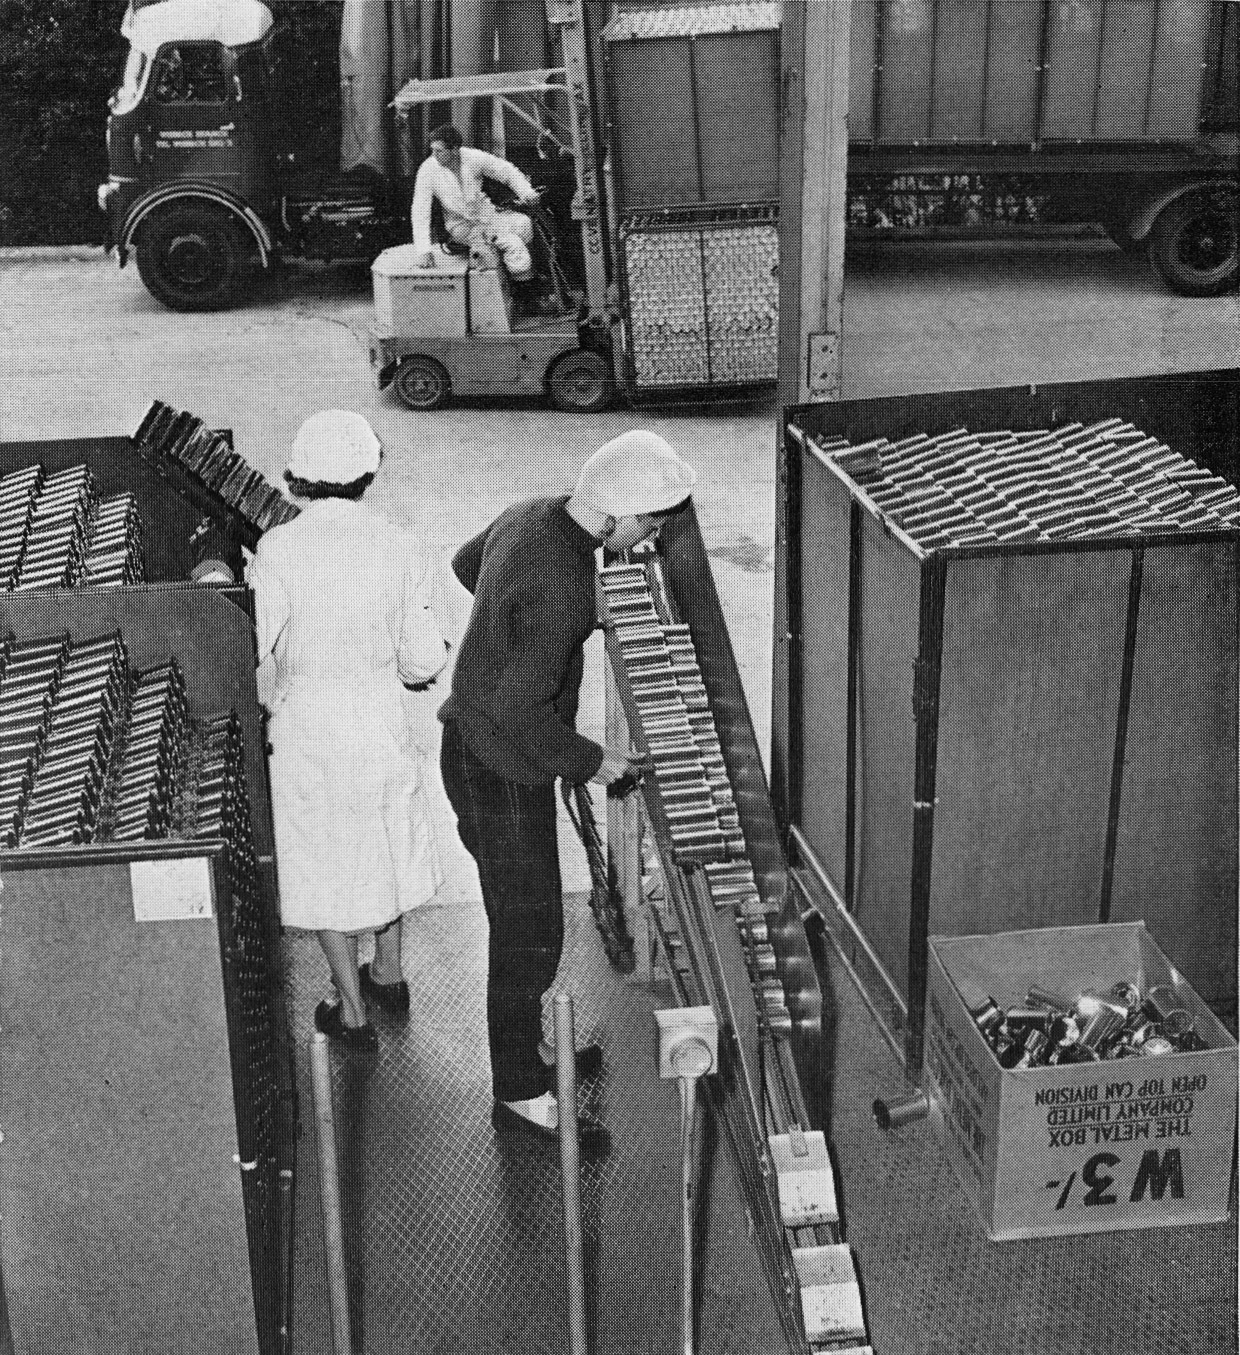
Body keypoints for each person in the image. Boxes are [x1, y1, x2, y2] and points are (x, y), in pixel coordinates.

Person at [439, 430, 697, 1146]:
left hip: (467, 744)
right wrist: (594, 760)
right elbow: (520, 709)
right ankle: (520, 1091)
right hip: (501, 765)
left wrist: (506, 626)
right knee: (529, 933)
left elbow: (468, 564)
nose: (653, 537)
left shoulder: (534, 513)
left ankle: (535, 1049)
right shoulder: (564, 587)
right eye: (650, 523)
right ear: (613, 516)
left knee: (522, 918)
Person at [249, 411, 449, 1050]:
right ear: (369, 473)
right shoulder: (399, 542)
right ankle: (388, 971)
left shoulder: (279, 547)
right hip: (379, 728)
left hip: (310, 733)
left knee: (325, 863)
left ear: (298, 477)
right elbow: (422, 660)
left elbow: (259, 652)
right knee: (386, 842)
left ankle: (352, 1011)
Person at [409, 123, 541, 281]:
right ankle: (526, 291)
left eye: (439, 150)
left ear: (455, 149)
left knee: (524, 224)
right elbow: (420, 210)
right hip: (460, 225)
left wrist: (526, 192)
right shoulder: (428, 169)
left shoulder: (472, 157)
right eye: (433, 150)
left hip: (486, 215)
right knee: (513, 244)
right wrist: (423, 250)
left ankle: (522, 278)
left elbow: (506, 171)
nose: (434, 155)